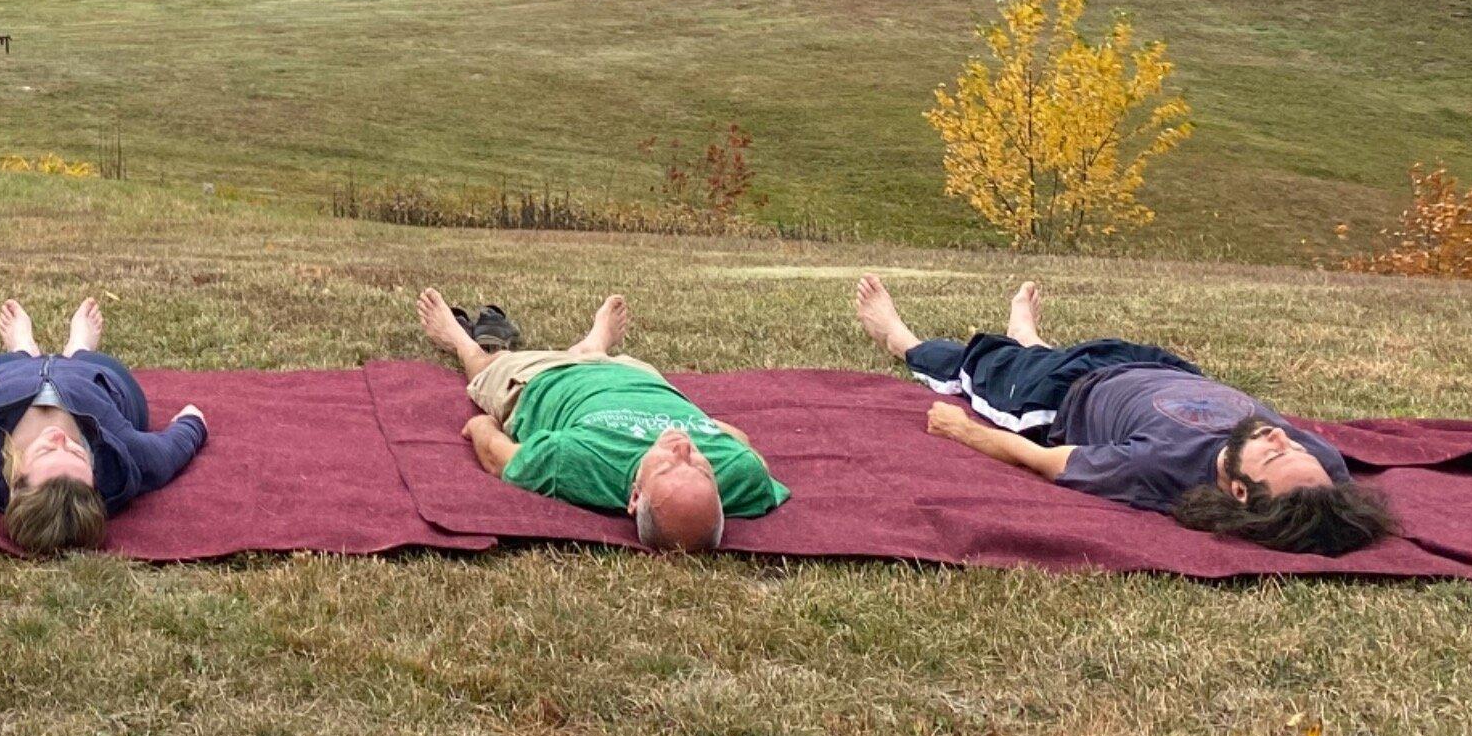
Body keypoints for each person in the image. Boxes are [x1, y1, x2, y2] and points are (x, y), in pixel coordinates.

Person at [854, 273, 1398, 556]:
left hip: (1059, 394)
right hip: (1162, 368)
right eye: (1294, 446)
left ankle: (900, 338)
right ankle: (1032, 337)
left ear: (1237, 490)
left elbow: (1046, 461)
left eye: (1274, 453)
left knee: (987, 364)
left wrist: (963, 430)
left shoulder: (1158, 468)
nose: (1283, 437)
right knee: (1041, 348)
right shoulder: (1319, 473)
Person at [418, 286, 785, 552]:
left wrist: (482, 425)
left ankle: (459, 339)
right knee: (596, 355)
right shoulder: (741, 476)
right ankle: (593, 346)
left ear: (635, 497)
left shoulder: (578, 463)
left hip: (545, 379)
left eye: (667, 468)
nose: (683, 448)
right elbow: (739, 443)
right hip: (638, 376)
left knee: (486, 365)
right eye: (702, 468)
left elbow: (501, 457)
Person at [0, 297, 208, 554]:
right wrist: (192, 422)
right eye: (77, 453)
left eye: (48, 451)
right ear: (95, 481)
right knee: (105, 371)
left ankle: (22, 348)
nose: (60, 438)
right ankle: (80, 348)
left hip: (4, 376)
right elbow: (169, 451)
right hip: (93, 377)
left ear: (15, 480)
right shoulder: (123, 460)